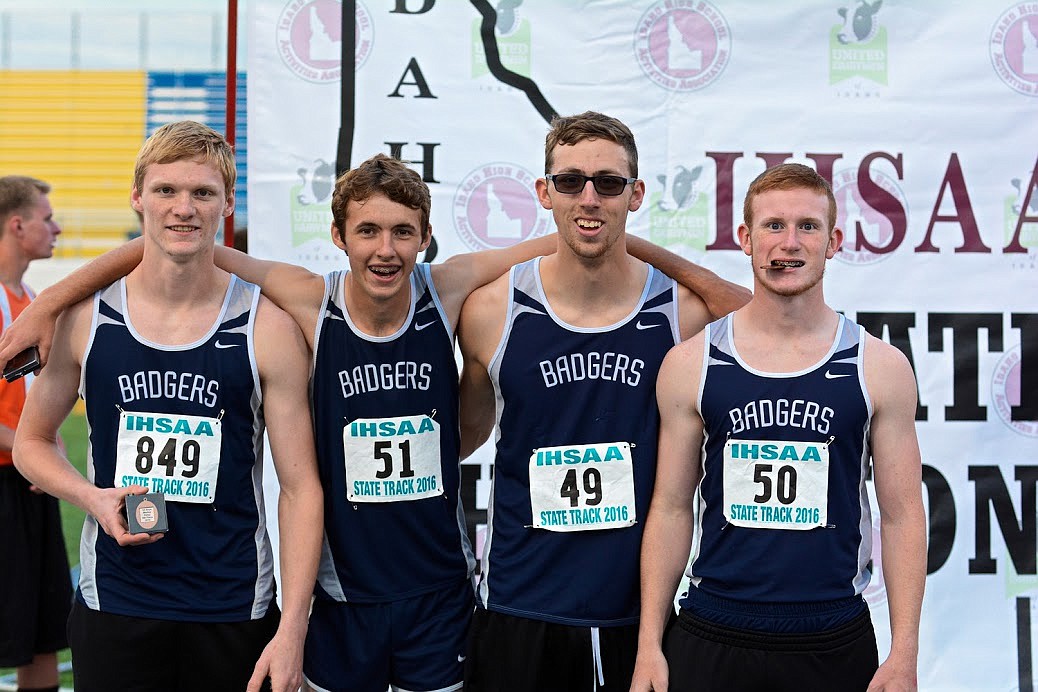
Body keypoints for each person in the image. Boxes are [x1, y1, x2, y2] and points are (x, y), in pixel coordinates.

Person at [0, 148, 746, 692]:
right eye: (367, 232)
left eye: (401, 233)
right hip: (338, 594)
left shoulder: (445, 291)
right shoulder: (306, 300)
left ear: (424, 239)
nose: (384, 250)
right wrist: (52, 299)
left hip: (439, 592)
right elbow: (182, 239)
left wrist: (701, 276)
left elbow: (578, 232)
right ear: (339, 238)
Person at [11, 121, 324, 692]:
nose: (184, 208)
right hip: (116, 599)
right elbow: (31, 443)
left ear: (227, 204)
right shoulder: (87, 319)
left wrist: (293, 630)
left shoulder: (267, 327)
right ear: (137, 199)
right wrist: (92, 497)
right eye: (166, 191)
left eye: (203, 193)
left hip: (233, 604)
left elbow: (301, 488)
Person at [455, 111, 727, 692]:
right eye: (571, 181)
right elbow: (461, 437)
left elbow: (769, 323)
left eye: (608, 184)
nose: (589, 197)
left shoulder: (680, 314)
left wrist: (654, 255)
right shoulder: (491, 312)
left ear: (636, 195)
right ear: (543, 192)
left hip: (636, 613)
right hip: (519, 604)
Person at [631, 163, 926, 692]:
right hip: (712, 632)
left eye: (808, 227)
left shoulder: (878, 367)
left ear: (834, 241)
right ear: (745, 238)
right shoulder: (691, 363)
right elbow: (671, 506)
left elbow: (903, 516)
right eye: (773, 226)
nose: (788, 243)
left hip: (832, 637)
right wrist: (650, 645)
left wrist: (904, 652)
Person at [0, 175, 69, 692]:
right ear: (17, 225)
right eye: (47, 219)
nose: (58, 228)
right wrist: (30, 452)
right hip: (9, 479)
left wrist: (49, 452)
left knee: (45, 634)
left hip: (31, 483)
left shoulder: (32, 299)